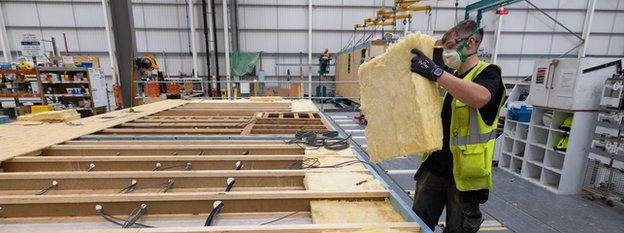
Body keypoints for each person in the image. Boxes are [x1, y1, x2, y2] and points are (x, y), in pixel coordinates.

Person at [409, 19, 505, 233]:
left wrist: (436, 73)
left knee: (458, 229)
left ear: (470, 43)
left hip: (465, 176)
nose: (446, 52)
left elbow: (479, 97)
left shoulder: (489, 73)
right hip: (434, 168)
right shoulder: (450, 77)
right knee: (418, 225)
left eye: (450, 47)